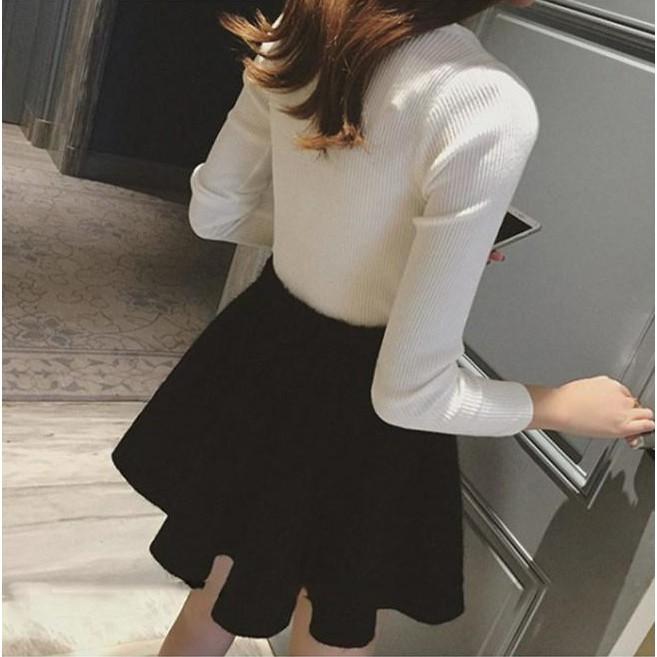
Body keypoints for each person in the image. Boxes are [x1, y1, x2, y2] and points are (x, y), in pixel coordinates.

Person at [111, 1, 655, 655]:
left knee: (222, 585)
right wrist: (560, 405)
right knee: (332, 620)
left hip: (266, 350)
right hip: (361, 411)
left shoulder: (300, 27)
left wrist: (361, 243)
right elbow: (408, 394)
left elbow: (215, 212)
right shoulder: (483, 103)